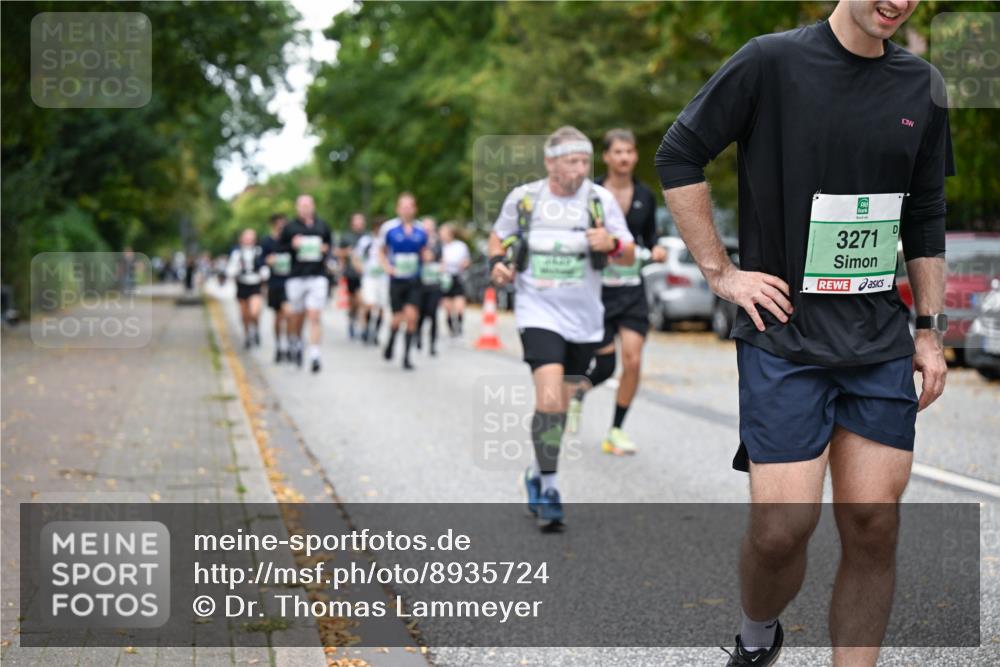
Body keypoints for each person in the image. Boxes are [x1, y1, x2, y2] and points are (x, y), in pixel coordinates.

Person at [655, 2, 953, 664]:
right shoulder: (771, 61)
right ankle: (758, 633)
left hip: (877, 338)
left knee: (874, 523)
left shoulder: (923, 87)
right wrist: (722, 273)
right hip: (784, 335)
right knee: (782, 528)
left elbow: (925, 213)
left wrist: (929, 330)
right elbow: (679, 153)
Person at [489, 126, 635, 531]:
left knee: (556, 408)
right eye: (572, 160)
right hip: (537, 311)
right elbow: (497, 238)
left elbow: (629, 256)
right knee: (551, 397)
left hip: (585, 320)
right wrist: (496, 265)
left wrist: (611, 244)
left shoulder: (599, 201)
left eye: (586, 161)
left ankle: (535, 471)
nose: (581, 168)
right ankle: (551, 488)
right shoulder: (526, 199)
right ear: (550, 162)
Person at [567, 128, 666, 455]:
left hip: (631, 290)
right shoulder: (590, 194)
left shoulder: (645, 195)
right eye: (618, 152)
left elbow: (651, 240)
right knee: (605, 366)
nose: (624, 157)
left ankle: (616, 430)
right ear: (606, 156)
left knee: (633, 361)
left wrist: (658, 250)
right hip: (597, 292)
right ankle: (578, 388)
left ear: (636, 156)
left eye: (630, 151)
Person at [281, 194, 333, 373]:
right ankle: (296, 342)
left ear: (313, 206)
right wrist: (292, 246)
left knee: (314, 315)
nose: (305, 208)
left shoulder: (322, 225)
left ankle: (315, 354)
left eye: (308, 205)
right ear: (297, 208)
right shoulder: (289, 228)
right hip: (296, 277)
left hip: (317, 275)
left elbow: (329, 247)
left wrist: (325, 250)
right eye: (301, 205)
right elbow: (280, 249)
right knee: (297, 316)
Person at [380, 193, 428, 370]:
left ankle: (406, 357)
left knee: (412, 317)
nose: (407, 209)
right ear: (398, 208)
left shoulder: (421, 230)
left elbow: (424, 252)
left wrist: (428, 259)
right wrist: (387, 267)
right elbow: (381, 252)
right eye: (404, 206)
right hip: (396, 280)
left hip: (414, 280)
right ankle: (391, 340)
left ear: (415, 209)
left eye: (410, 206)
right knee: (397, 317)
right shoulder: (389, 228)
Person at [226, 228, 267, 349]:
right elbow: (230, 269)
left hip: (255, 284)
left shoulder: (259, 251)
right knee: (244, 314)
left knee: (254, 312)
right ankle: (247, 334)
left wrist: (264, 273)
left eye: (251, 237)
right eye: (247, 237)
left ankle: (255, 328)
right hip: (242, 284)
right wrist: (235, 270)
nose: (249, 239)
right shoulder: (236, 253)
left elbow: (264, 267)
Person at [260, 213, 292, 362]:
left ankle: (291, 343)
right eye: (278, 223)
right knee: (278, 317)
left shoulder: (290, 241)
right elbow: (260, 261)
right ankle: (279, 345)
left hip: (289, 283)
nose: (281, 226)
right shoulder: (267, 242)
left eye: (283, 223)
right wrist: (267, 261)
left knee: (289, 314)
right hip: (275, 283)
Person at [358, 217, 389, 345]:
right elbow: (357, 256)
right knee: (369, 304)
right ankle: (366, 328)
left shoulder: (388, 241)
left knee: (381, 305)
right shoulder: (367, 241)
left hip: (383, 277)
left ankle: (376, 331)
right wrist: (361, 269)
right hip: (370, 277)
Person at [337, 212, 367, 340]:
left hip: (364, 274)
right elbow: (338, 253)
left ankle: (364, 328)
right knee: (353, 302)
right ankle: (351, 319)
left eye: (361, 221)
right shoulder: (346, 237)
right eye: (356, 221)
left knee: (362, 301)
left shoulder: (367, 237)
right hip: (350, 273)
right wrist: (346, 253)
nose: (359, 224)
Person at [416, 216, 444, 356]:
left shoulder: (438, 243)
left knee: (433, 313)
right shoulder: (418, 240)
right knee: (420, 313)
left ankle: (432, 344)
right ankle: (418, 337)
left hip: (434, 283)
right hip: (420, 283)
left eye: (429, 226)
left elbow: (440, 259)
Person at [439, 222, 471, 339]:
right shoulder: (439, 247)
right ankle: (451, 328)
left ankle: (460, 327)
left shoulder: (460, 246)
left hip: (457, 277)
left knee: (459, 305)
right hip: (445, 278)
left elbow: (467, 260)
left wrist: (464, 264)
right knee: (447, 306)